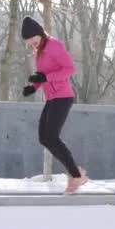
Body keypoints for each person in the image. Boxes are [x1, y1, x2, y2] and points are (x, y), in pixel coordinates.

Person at [20, 16, 88, 194]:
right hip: (51, 98)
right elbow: (42, 74)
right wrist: (33, 86)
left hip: (63, 97)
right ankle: (75, 174)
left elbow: (69, 69)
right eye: (30, 43)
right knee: (44, 138)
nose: (33, 45)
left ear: (40, 34)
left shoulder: (54, 46)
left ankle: (75, 175)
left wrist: (46, 78)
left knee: (52, 136)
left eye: (34, 41)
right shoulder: (39, 52)